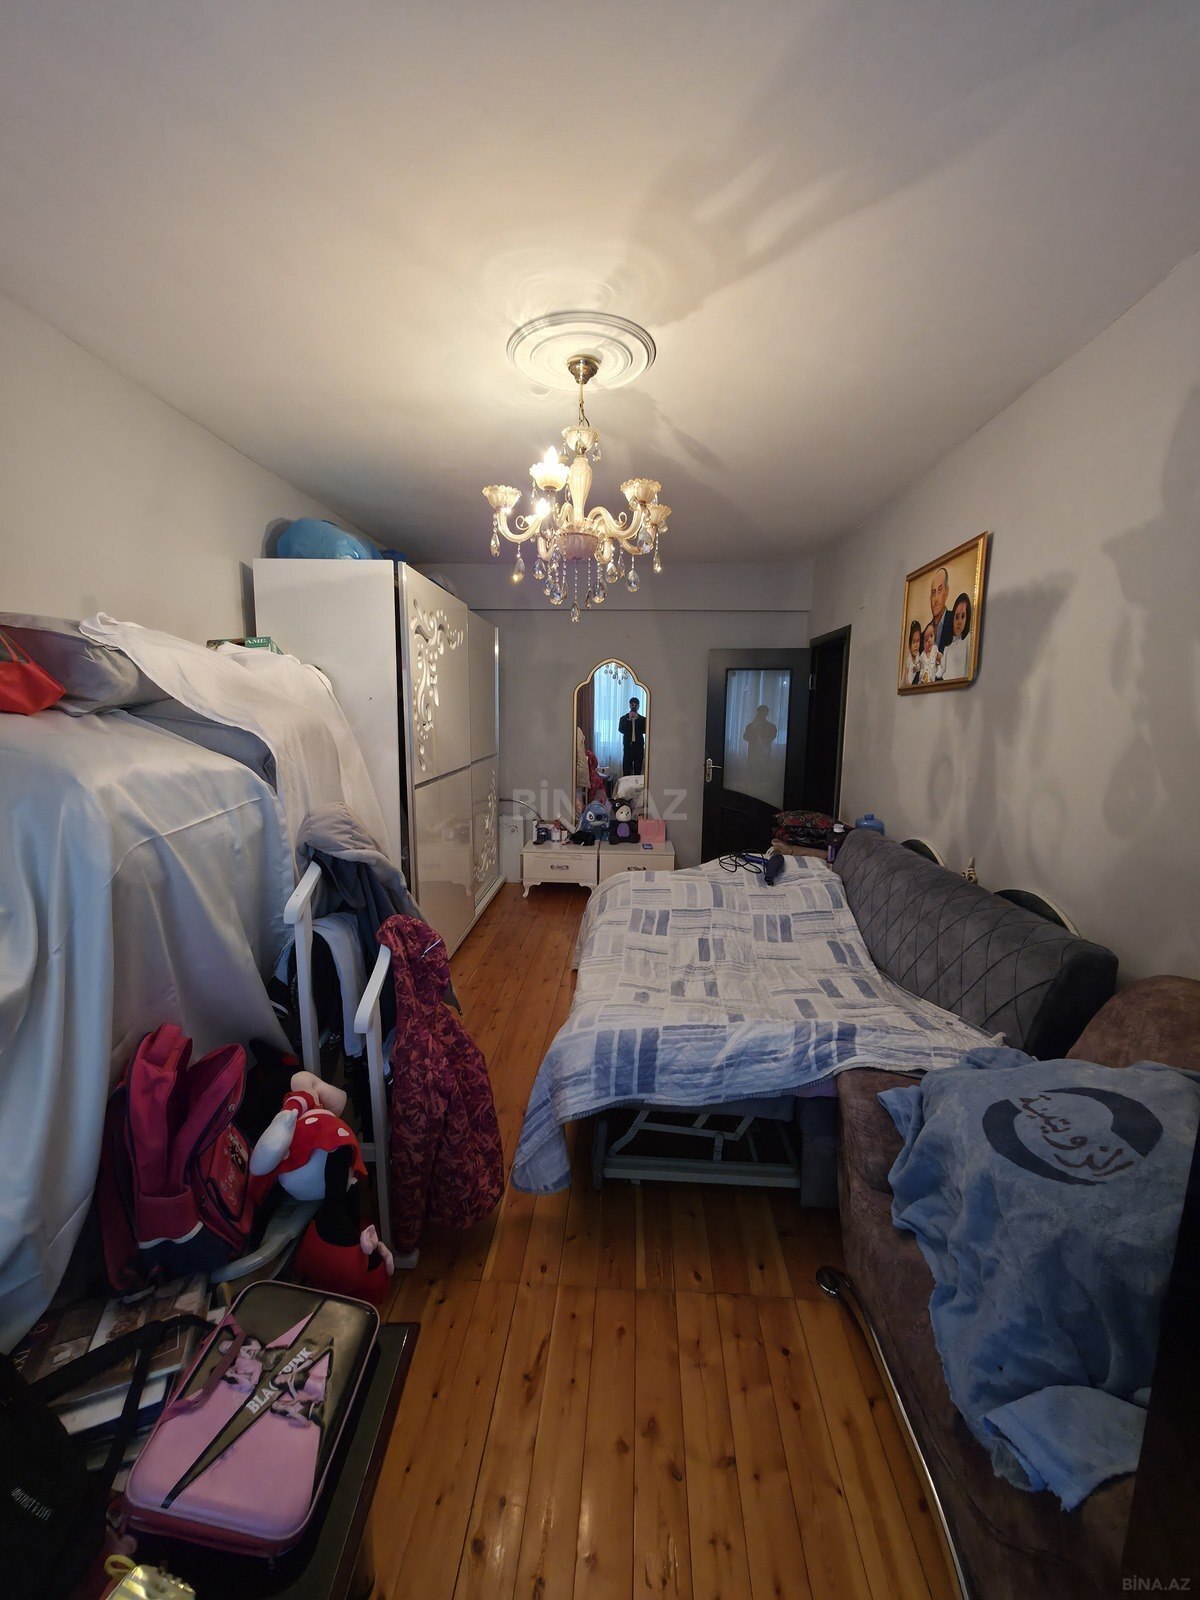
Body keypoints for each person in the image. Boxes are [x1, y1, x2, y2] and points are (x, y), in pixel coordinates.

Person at [939, 592, 972, 681]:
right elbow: (940, 671)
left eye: (963, 617)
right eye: (957, 617)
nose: (959, 622)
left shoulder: (968, 640)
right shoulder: (948, 646)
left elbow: (968, 669)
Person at [929, 566, 955, 651]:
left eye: (940, 590)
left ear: (946, 592)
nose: (936, 599)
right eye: (933, 593)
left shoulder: (954, 621)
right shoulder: (924, 633)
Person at [618, 697, 646, 776]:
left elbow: (645, 731)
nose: (634, 707)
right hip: (628, 747)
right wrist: (629, 720)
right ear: (629, 705)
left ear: (638, 706)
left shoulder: (643, 719)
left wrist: (636, 720)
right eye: (632, 705)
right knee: (627, 769)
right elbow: (621, 730)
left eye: (635, 705)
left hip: (639, 747)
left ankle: (637, 784)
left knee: (638, 769)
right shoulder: (623, 718)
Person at [917, 620, 940, 685]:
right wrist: (915, 667)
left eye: (931, 636)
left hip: (932, 680)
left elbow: (939, 658)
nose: (929, 640)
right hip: (922, 680)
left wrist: (940, 658)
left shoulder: (934, 649)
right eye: (926, 640)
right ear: (923, 644)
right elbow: (919, 665)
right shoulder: (923, 654)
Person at [902, 619, 922, 686]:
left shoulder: (919, 657)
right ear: (909, 644)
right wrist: (907, 683)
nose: (916, 645)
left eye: (918, 641)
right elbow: (906, 673)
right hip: (909, 683)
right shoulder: (909, 659)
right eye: (913, 642)